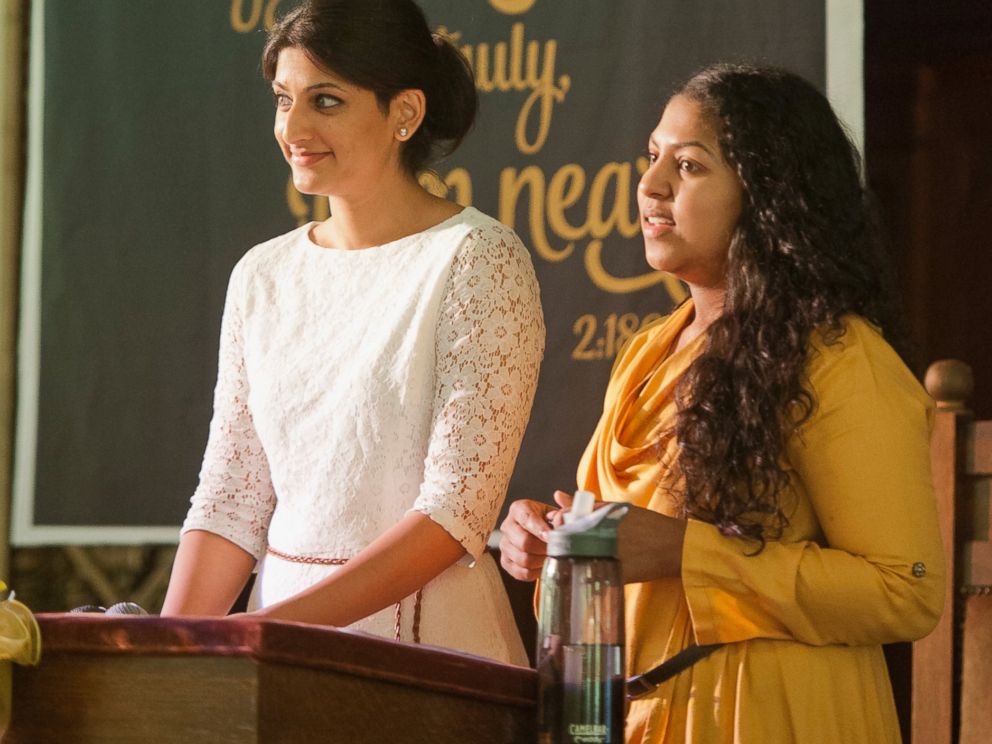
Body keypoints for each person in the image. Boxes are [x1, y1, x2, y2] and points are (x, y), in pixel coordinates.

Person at [499, 63, 944, 741]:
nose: (650, 186)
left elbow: (904, 590)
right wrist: (556, 547)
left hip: (770, 716)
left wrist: (684, 553)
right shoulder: (648, 350)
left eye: (690, 166)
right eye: (652, 158)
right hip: (634, 715)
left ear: (766, 195)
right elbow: (625, 545)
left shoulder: (837, 356)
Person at [161, 0, 544, 667]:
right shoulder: (263, 274)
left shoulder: (477, 256)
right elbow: (232, 497)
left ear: (405, 112)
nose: (295, 127)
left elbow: (456, 513)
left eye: (326, 101)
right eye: (284, 100)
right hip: (275, 665)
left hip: (431, 663)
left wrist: (272, 634)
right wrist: (162, 656)